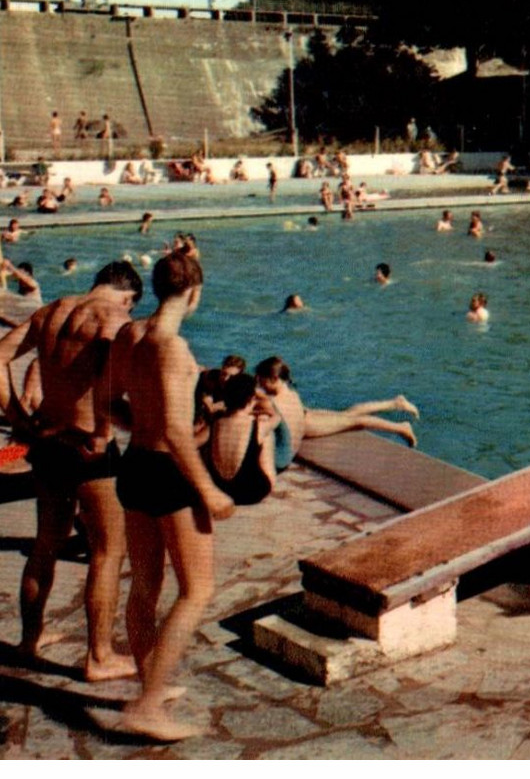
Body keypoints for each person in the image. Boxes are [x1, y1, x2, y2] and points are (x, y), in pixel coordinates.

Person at [0, 259, 145, 678]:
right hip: (90, 449)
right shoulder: (116, 319)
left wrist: (19, 419)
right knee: (109, 551)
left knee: (45, 545)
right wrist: (105, 430)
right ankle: (99, 657)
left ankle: (29, 640)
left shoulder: (49, 312)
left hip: (48, 442)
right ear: (128, 296)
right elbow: (109, 379)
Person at [96, 253, 234, 740]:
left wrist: (142, 427)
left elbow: (107, 402)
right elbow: (178, 432)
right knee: (196, 591)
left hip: (135, 465)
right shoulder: (172, 348)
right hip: (170, 473)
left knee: (146, 586)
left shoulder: (129, 336)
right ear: (195, 293)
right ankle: (149, 706)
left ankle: (147, 680)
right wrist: (209, 490)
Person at [253, 356, 417, 456]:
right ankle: (395, 403)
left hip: (310, 424)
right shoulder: (288, 392)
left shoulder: (274, 398)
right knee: (348, 415)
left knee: (354, 421)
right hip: (306, 416)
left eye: (261, 380)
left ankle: (401, 427)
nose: (259, 383)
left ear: (274, 378)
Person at [201, 373, 277, 507]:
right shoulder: (257, 425)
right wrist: (262, 399)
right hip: (251, 493)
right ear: (251, 399)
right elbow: (276, 417)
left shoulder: (215, 422)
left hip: (222, 489)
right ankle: (271, 479)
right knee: (267, 435)